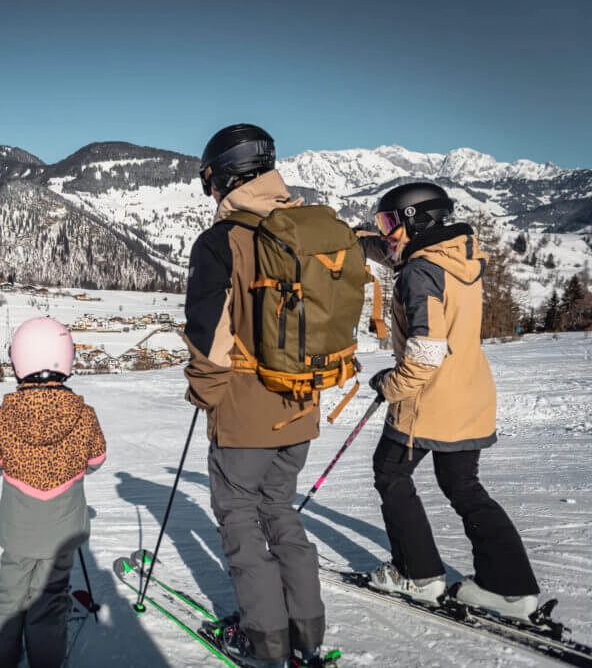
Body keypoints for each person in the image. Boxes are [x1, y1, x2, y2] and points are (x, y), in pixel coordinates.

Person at [360, 182, 540, 620]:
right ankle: (510, 588)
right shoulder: (459, 254)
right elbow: (402, 254)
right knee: (463, 486)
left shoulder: (421, 273)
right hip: (469, 393)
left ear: (415, 220)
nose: (385, 232)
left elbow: (425, 351)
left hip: (429, 400)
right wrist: (359, 241)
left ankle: (418, 575)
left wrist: (390, 384)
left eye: (389, 222)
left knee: (390, 472)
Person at [184, 124, 326, 668]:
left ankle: (263, 642)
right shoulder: (308, 227)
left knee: (241, 521)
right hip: (304, 403)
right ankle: (306, 635)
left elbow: (209, 338)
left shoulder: (223, 240)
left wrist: (207, 394)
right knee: (281, 513)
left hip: (247, 409)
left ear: (220, 178)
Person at [0, 317, 107, 668]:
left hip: (18, 530)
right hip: (63, 530)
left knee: (7, 596)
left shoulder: (6, 415)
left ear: (19, 361)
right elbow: (96, 459)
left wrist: (13, 466)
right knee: (50, 599)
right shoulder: (83, 415)